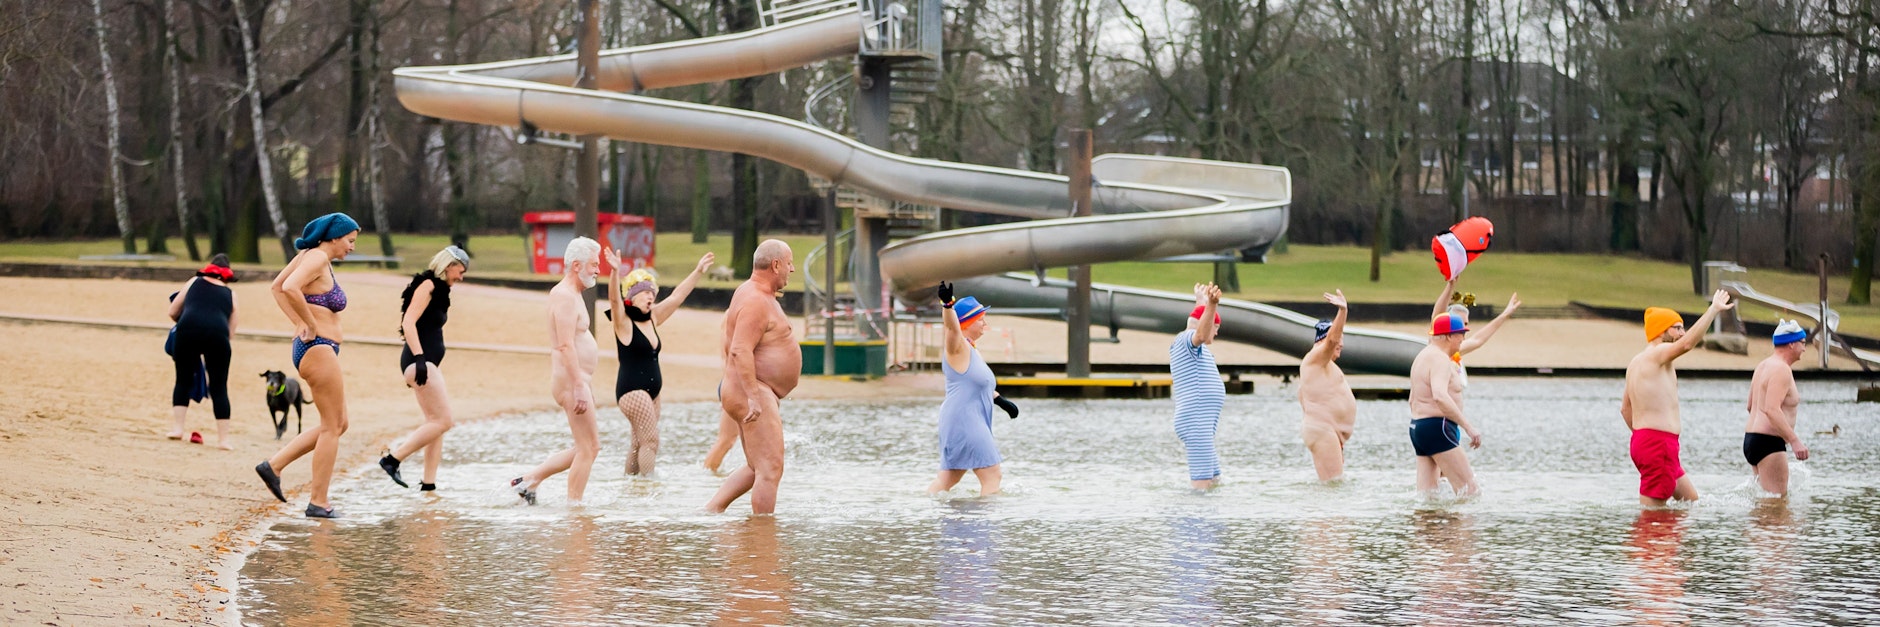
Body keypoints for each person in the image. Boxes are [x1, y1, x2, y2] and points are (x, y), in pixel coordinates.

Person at [255, 213, 359, 519]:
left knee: (340, 423)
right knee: (332, 427)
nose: (352, 247)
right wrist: (308, 323)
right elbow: (289, 287)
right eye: (350, 241)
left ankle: (273, 466)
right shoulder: (316, 257)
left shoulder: (311, 257)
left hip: (317, 349)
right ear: (335, 237)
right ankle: (318, 502)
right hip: (317, 349)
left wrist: (300, 321)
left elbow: (276, 286)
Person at [706, 240, 801, 514]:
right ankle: (762, 537)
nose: (792, 269)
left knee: (756, 466)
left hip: (754, 389)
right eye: (789, 263)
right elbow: (738, 349)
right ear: (775, 265)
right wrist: (753, 396)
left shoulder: (753, 292)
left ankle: (711, 510)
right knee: (770, 469)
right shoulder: (756, 300)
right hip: (753, 390)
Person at [509, 237, 605, 506]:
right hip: (570, 381)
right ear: (577, 265)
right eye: (594, 264)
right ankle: (574, 508)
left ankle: (529, 480)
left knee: (587, 446)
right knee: (588, 448)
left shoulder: (572, 294)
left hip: (578, 380)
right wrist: (577, 385)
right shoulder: (563, 295)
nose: (598, 270)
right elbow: (564, 344)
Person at [604, 249, 715, 478]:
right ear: (632, 296)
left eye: (652, 293)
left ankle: (630, 487)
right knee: (651, 440)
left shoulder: (652, 318)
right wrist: (615, 272)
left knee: (638, 443)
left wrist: (697, 271)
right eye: (644, 293)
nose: (650, 297)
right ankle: (649, 488)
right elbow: (614, 300)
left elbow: (676, 297)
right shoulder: (623, 322)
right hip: (632, 391)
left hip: (653, 392)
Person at [1621, 290, 1735, 507]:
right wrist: (1713, 310)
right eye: (1677, 328)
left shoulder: (1636, 362)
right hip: (1658, 444)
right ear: (1661, 330)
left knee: (1691, 503)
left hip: (1649, 443)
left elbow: (1625, 409)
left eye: (1683, 327)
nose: (1683, 333)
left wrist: (1642, 437)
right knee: (1652, 519)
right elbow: (1686, 345)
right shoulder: (1658, 352)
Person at [377, 246, 471, 492]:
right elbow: (408, 322)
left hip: (428, 363)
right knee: (445, 421)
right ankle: (392, 459)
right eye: (460, 271)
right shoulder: (427, 285)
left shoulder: (440, 289)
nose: (461, 277)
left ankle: (429, 483)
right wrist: (419, 358)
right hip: (419, 362)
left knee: (435, 423)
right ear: (449, 265)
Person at [926, 282, 1019, 495]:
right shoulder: (956, 347)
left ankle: (932, 513)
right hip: (964, 420)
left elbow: (977, 385)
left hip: (968, 418)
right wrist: (947, 306)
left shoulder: (972, 350)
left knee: (949, 478)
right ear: (967, 323)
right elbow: (951, 327)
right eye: (981, 320)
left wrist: (1002, 402)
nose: (984, 324)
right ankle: (983, 524)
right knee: (992, 475)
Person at [166, 254, 239, 449]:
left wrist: (188, 323)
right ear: (226, 276)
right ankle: (224, 440)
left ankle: (178, 429)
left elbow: (173, 311)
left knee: (183, 380)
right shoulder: (231, 294)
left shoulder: (193, 282)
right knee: (219, 387)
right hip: (218, 335)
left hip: (188, 330)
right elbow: (231, 332)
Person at [1408, 311, 1483, 497]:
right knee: (1470, 493)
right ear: (1449, 336)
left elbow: (1412, 398)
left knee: (1428, 498)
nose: (1462, 340)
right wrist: (1468, 427)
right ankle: (1463, 527)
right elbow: (1440, 396)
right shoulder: (1440, 359)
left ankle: (1428, 526)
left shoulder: (1422, 356)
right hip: (1437, 427)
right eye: (1461, 334)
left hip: (1418, 428)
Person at [1743, 319, 1811, 497]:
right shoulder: (1781, 370)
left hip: (1752, 439)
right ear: (1791, 344)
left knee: (1764, 506)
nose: (1804, 348)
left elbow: (1750, 406)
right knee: (1778, 506)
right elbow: (1771, 409)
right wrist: (1794, 441)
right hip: (1769, 443)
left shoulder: (1762, 366)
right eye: (1803, 343)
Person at [1170, 283, 1227, 490]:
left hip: (1201, 421)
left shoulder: (1191, 346)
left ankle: (1209, 519)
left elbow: (1196, 323)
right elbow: (1200, 333)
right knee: (1201, 486)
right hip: (1196, 422)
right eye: (1216, 328)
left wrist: (1202, 301)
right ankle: (1194, 520)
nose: (1216, 334)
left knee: (1215, 481)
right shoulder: (1187, 341)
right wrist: (1211, 304)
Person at [1299, 289, 1355, 482]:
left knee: (1333, 487)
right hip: (1323, 430)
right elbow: (1331, 340)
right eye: (1339, 341)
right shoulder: (1315, 357)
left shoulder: (1321, 365)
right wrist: (1343, 311)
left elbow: (1303, 399)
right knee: (1333, 486)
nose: (1341, 345)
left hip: (1327, 431)